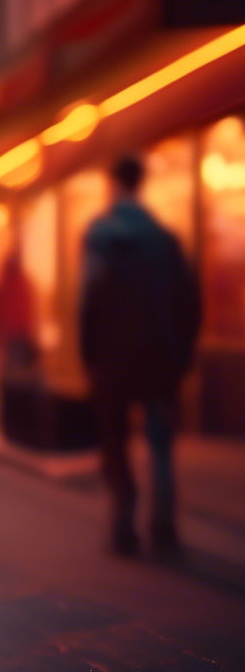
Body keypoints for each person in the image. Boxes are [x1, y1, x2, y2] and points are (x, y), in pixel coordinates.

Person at [79, 156, 200, 558]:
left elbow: (87, 302)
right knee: (161, 447)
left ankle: (124, 525)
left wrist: (88, 357)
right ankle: (164, 528)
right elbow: (189, 303)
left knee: (115, 445)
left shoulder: (99, 238)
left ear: (115, 185)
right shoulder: (165, 241)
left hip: (112, 363)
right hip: (160, 361)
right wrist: (181, 358)